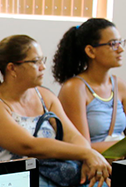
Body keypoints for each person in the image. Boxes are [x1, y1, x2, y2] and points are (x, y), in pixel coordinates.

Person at [0, 34, 112, 187]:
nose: (43, 67)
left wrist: (87, 157)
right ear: (12, 68)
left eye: (42, 60)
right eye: (35, 61)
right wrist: (87, 154)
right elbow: (29, 145)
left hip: (51, 184)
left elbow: (74, 137)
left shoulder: (45, 96)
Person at [53, 18, 126, 149]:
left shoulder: (119, 85)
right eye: (113, 44)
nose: (120, 49)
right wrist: (121, 147)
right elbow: (82, 148)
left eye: (120, 42)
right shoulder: (74, 88)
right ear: (90, 51)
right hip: (92, 166)